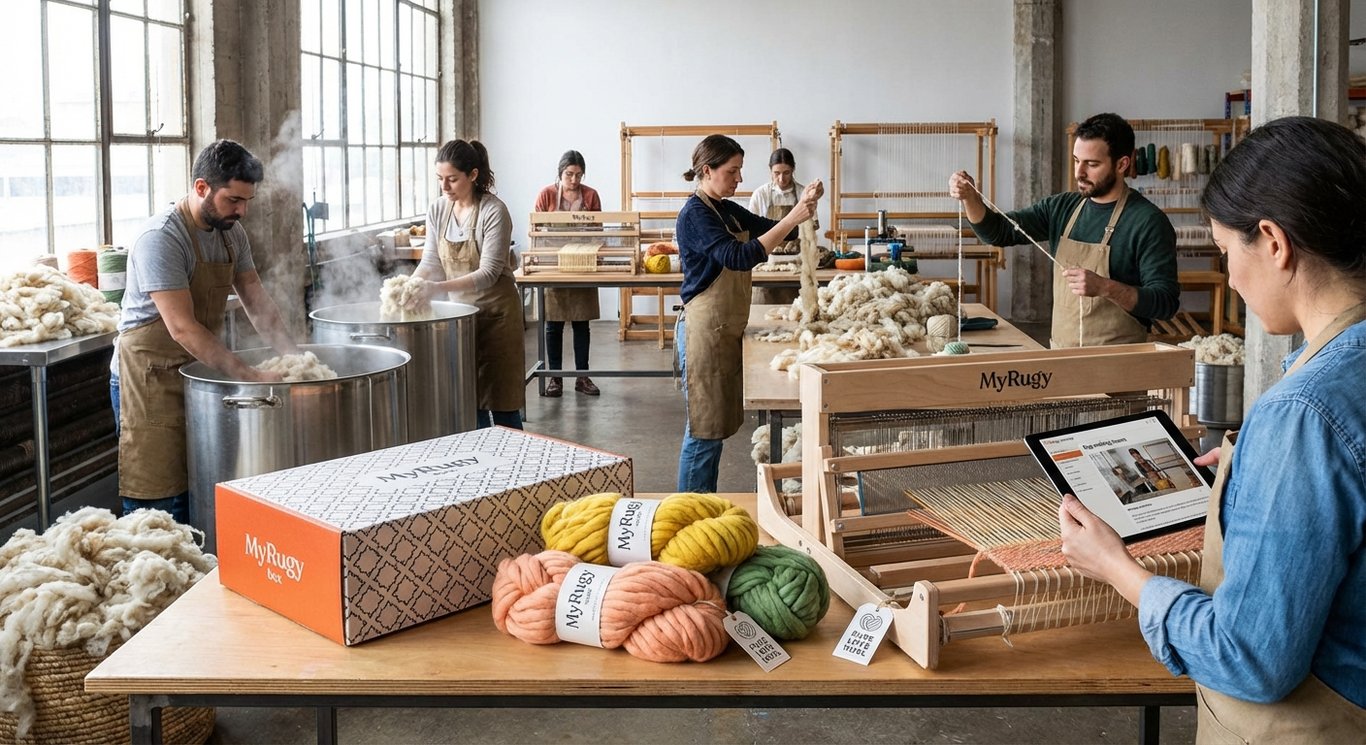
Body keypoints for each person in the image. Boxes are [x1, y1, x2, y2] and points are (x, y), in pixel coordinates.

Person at [1059, 116, 1366, 741]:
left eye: (1228, 252)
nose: (1228, 277)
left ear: (1275, 243)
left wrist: (1120, 570)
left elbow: (1251, 657)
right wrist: (1250, 462)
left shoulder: (1304, 414)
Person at [110, 139, 299, 524]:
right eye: (233, 200)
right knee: (160, 500)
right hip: (148, 380)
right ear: (201, 188)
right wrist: (249, 376)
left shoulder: (232, 233)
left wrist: (294, 358)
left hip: (197, 373)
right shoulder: (161, 238)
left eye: (247, 201)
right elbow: (182, 328)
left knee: (203, 485)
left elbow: (257, 301)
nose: (242, 211)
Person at [949, 113, 1179, 347]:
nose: (1079, 172)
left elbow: (1165, 303)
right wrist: (970, 198)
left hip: (1117, 366)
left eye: (1092, 164)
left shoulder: (1148, 222)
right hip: (1061, 355)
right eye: (1076, 160)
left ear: (1122, 164)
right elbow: (997, 232)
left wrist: (1105, 287)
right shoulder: (1061, 208)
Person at [674, 135, 822, 493]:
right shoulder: (695, 214)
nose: (739, 179)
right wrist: (794, 217)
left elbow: (760, 226)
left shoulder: (723, 207)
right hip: (702, 331)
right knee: (704, 431)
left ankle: (701, 506)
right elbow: (739, 256)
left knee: (716, 428)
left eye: (740, 170)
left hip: (723, 327)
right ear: (707, 171)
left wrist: (804, 206)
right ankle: (690, 510)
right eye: (732, 171)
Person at [410, 139, 525, 430]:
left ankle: (515, 467)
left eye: (452, 179)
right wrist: (409, 286)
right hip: (460, 319)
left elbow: (488, 273)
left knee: (502, 404)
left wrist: (435, 289)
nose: (444, 187)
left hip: (496, 316)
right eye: (439, 179)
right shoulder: (438, 209)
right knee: (467, 401)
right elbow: (432, 262)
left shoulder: (493, 211)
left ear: (473, 175)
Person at [533, 150, 602, 397]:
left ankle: (582, 377)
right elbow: (537, 231)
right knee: (554, 325)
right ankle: (556, 378)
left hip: (583, 264)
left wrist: (596, 255)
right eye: (569, 174)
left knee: (582, 324)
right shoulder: (547, 195)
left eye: (578, 175)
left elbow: (598, 230)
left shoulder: (591, 195)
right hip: (555, 265)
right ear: (560, 172)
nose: (574, 180)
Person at [747, 147, 816, 305]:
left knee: (796, 312)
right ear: (770, 171)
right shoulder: (761, 194)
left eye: (786, 173)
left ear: (793, 170)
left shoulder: (803, 194)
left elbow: (812, 229)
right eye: (776, 173)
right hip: (766, 265)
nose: (781, 179)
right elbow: (751, 230)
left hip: (797, 266)